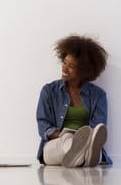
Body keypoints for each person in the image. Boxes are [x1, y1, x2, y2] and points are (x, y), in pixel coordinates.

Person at [36, 34, 112, 167]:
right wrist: (67, 135)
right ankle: (85, 157)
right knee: (68, 139)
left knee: (93, 146)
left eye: (71, 66)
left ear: (83, 70)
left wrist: (86, 139)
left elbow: (98, 130)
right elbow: (43, 126)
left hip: (87, 143)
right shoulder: (49, 91)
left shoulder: (98, 95)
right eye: (64, 62)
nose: (64, 68)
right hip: (56, 145)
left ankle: (83, 156)